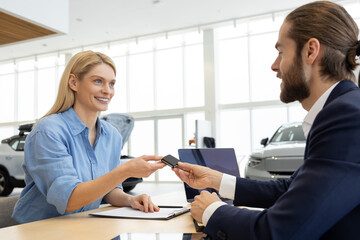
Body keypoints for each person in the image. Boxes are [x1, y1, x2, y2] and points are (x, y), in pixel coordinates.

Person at [173, 1, 360, 239]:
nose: (274, 66)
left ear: (311, 51)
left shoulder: (346, 117)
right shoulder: (344, 109)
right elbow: (291, 189)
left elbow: (280, 231)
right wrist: (216, 180)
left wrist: (212, 210)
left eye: (281, 52)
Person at [12, 51, 165, 223]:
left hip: (83, 226)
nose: (107, 91)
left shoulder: (112, 135)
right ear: (73, 82)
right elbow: (69, 200)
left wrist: (129, 200)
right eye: (98, 81)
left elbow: (108, 190)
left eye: (112, 83)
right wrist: (126, 170)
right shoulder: (48, 131)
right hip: (38, 231)